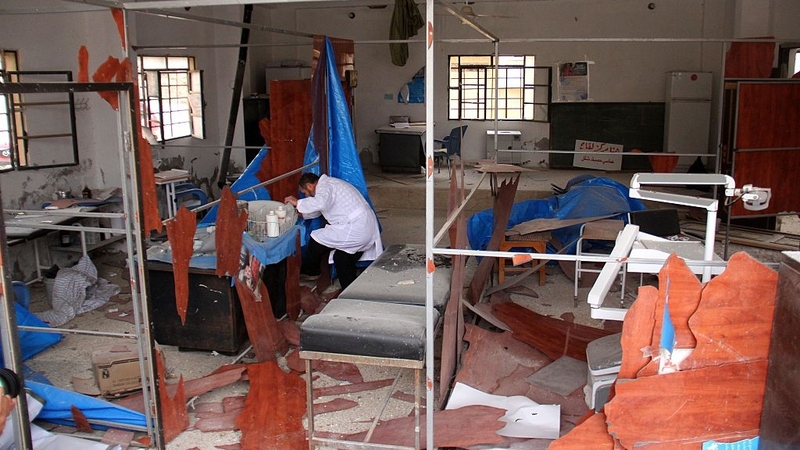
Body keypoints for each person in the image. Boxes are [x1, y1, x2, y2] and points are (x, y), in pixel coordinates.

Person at [285, 173, 382, 290]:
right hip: (364, 227)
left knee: (316, 238)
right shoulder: (331, 186)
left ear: (310, 186)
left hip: (357, 228)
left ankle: (311, 272)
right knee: (341, 258)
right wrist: (296, 212)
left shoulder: (325, 186)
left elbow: (320, 203)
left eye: (304, 193)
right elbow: (318, 209)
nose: (306, 196)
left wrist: (297, 202)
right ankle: (351, 290)